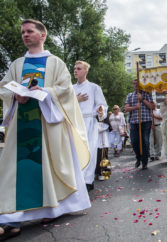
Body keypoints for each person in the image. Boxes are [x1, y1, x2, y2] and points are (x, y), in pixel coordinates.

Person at [0, 19, 90, 240]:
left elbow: (65, 91)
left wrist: (45, 92)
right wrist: (15, 95)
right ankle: (11, 218)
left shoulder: (55, 62)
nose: (25, 35)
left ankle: (51, 210)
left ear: (43, 35)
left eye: (30, 31)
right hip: (21, 125)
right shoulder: (17, 64)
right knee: (16, 170)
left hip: (47, 126)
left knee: (48, 169)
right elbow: (5, 87)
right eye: (23, 32)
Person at [73, 60, 108, 191]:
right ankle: (77, 179)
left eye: (79, 68)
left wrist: (101, 110)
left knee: (90, 150)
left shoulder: (94, 88)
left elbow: (103, 105)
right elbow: (65, 105)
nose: (76, 70)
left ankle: (88, 180)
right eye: (75, 68)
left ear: (86, 71)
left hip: (89, 122)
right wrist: (75, 100)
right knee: (76, 152)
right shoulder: (71, 88)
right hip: (75, 122)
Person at [125, 79, 154, 169]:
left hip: (146, 121)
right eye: (134, 83)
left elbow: (152, 107)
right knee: (134, 141)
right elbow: (126, 109)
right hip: (134, 121)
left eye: (137, 83)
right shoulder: (130, 95)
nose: (135, 85)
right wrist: (135, 107)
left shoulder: (147, 94)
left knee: (145, 141)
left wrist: (142, 99)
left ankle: (144, 162)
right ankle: (138, 158)